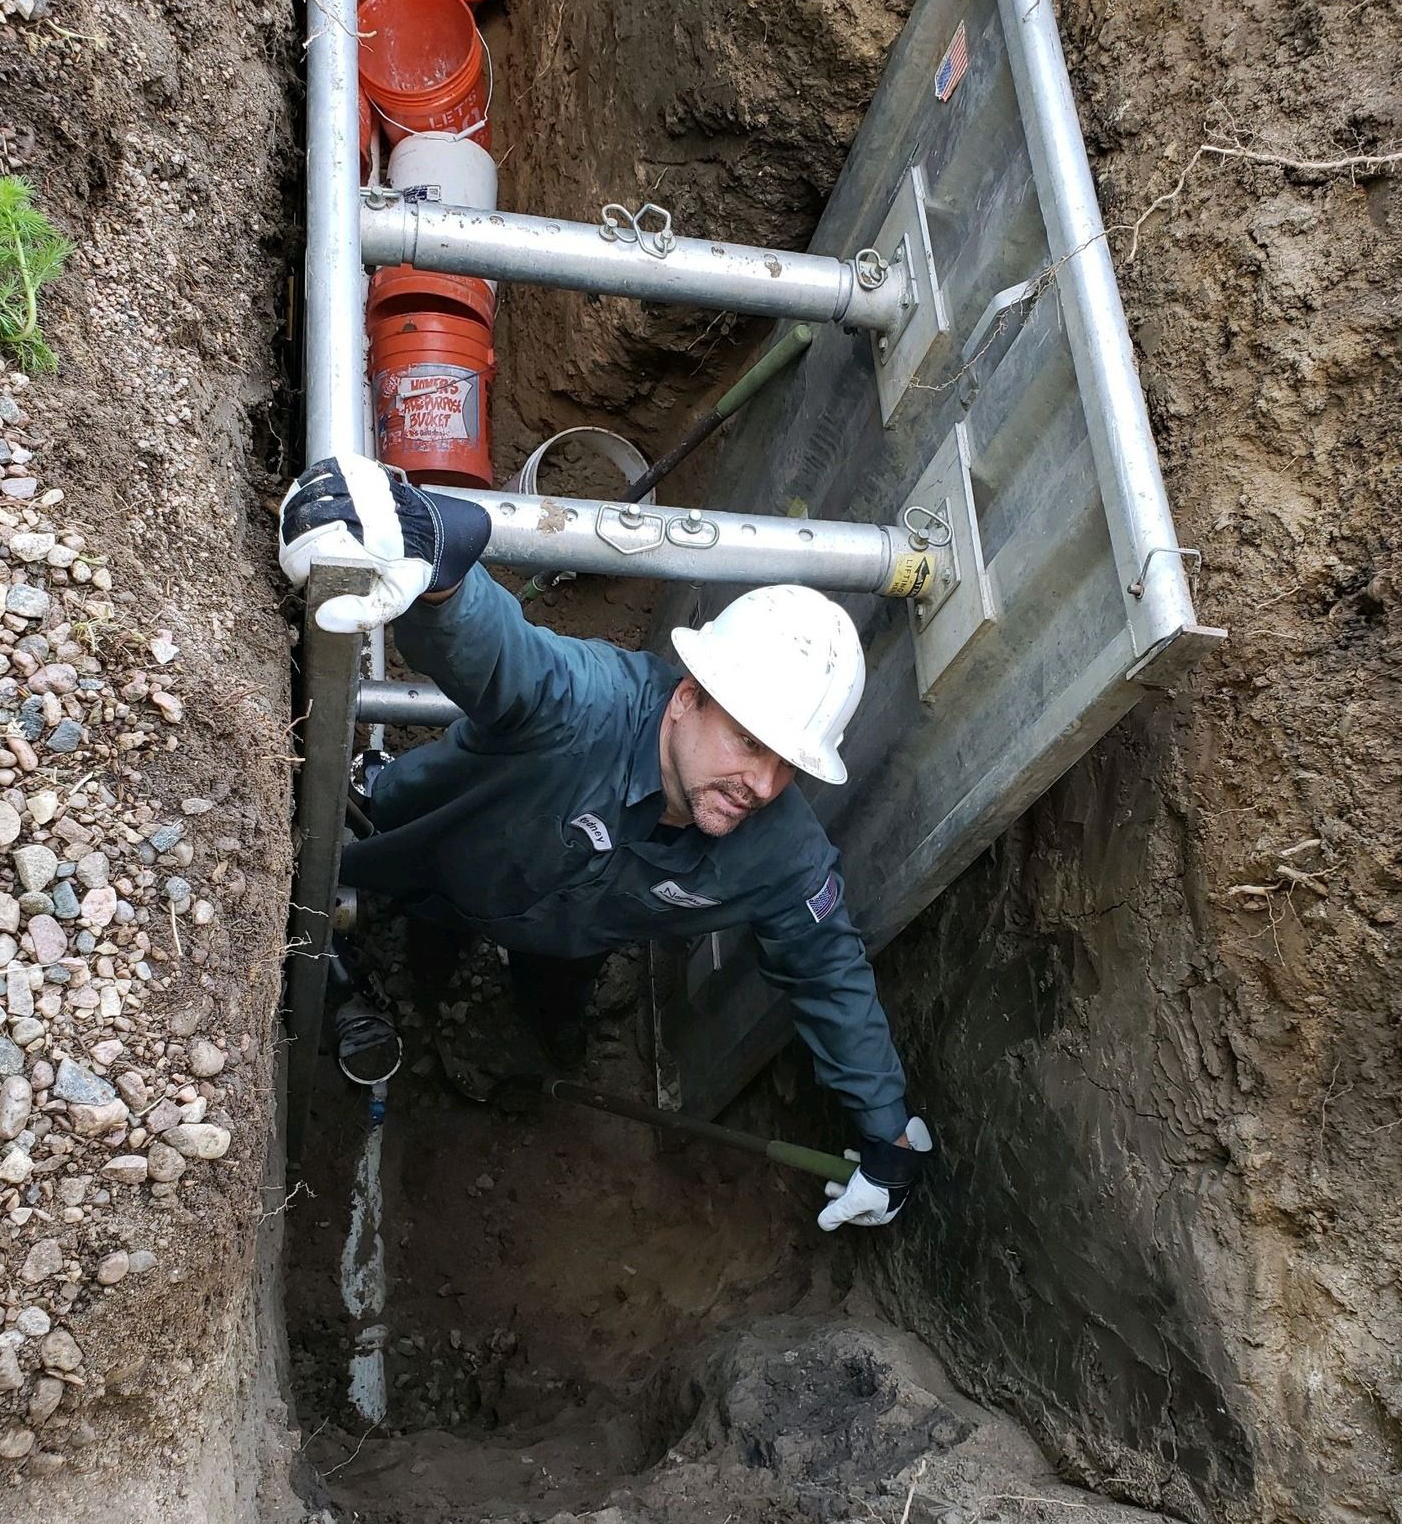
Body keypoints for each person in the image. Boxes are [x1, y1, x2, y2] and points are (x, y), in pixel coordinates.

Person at [280, 454, 931, 1232]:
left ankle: (545, 1039)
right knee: (424, 947)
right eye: (750, 742)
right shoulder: (587, 708)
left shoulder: (777, 851)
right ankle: (418, 995)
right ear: (688, 697)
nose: (761, 782)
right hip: (436, 869)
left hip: (570, 941)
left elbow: (828, 969)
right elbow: (508, 659)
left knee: (557, 1001)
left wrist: (886, 1129)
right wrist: (441, 568)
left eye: (788, 765)